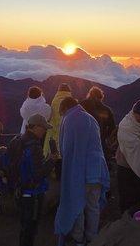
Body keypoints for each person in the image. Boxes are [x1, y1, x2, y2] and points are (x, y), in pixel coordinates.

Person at [55, 97, 110, 246]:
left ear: (65, 108)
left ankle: (78, 239)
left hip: (80, 172)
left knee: (77, 205)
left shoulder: (69, 119)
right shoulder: (91, 119)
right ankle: (92, 238)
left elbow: (66, 149)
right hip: (97, 170)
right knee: (93, 207)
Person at [11, 114, 58, 246]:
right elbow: (38, 174)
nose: (44, 131)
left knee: (25, 225)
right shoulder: (35, 147)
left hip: (21, 189)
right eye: (43, 128)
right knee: (31, 227)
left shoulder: (18, 140)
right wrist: (51, 161)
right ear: (36, 127)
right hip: (33, 193)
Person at [80, 86, 116, 162]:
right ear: (101, 97)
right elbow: (112, 127)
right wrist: (105, 136)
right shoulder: (107, 110)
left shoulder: (81, 105)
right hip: (99, 142)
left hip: (83, 142)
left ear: (90, 95)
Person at [45, 83, 72, 157]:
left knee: (54, 158)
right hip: (67, 136)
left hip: (53, 134)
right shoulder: (71, 102)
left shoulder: (54, 101)